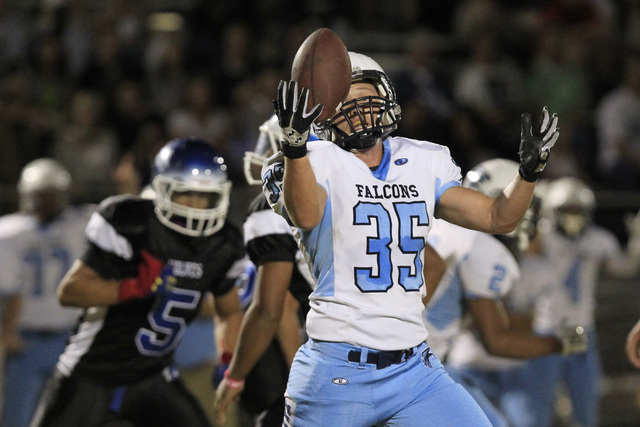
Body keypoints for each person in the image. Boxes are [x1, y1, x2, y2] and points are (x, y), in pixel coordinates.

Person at [263, 50, 559, 426]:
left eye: (364, 97)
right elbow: (306, 214)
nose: (357, 110)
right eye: (343, 101)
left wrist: (529, 173)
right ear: (321, 112)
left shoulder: (422, 159)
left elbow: (498, 218)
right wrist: (293, 147)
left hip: (414, 369)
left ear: (385, 95)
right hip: (338, 369)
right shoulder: (311, 159)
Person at [29, 137, 246, 427]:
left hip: (154, 374)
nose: (195, 206)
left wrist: (228, 360)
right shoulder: (132, 224)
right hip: (91, 371)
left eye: (205, 197)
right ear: (161, 189)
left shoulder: (223, 244)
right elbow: (70, 292)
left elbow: (229, 311)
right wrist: (135, 286)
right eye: (185, 194)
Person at [426, 160, 586, 427]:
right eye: (521, 205)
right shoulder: (481, 247)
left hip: (405, 355)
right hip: (420, 367)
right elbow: (497, 341)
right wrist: (560, 343)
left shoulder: (440, 227)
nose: (526, 215)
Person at [512, 176, 640, 427]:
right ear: (552, 212)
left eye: (578, 210)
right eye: (567, 210)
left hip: (579, 332)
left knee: (585, 405)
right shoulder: (542, 237)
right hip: (546, 332)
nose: (573, 216)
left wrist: (636, 246)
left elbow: (623, 267)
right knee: (538, 409)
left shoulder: (597, 239)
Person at [0, 159, 93, 427]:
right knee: (18, 416)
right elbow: (11, 292)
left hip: (68, 336)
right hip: (26, 338)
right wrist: (7, 331)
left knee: (69, 415)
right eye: (41, 195)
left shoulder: (82, 222)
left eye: (52, 194)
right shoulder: (9, 232)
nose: (47, 201)